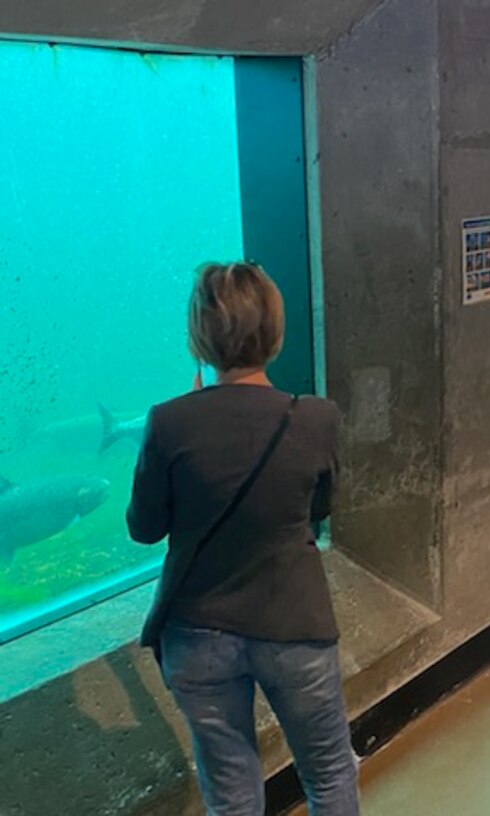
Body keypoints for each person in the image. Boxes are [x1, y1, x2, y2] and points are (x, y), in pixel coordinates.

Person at [127, 262, 359, 815]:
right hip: (293, 626)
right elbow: (320, 509)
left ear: (201, 341)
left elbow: (144, 528)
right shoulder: (317, 418)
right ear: (274, 334)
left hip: (197, 633)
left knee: (231, 793)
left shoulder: (167, 422)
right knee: (328, 774)